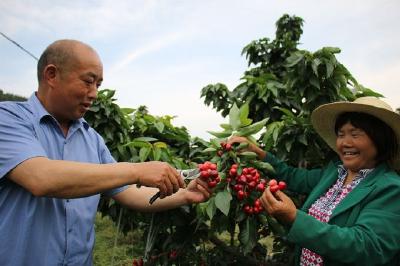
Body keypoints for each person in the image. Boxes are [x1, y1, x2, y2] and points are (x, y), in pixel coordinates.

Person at [0, 39, 212, 266]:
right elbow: (41, 178)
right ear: (51, 75)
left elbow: (129, 191)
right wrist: (136, 170)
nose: (93, 94)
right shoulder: (9, 119)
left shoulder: (92, 139)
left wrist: (185, 195)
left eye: (98, 85)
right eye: (88, 82)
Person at [229, 96, 400, 265]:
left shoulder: (390, 188)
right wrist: (258, 153)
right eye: (341, 135)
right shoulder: (335, 172)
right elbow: (292, 176)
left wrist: (295, 218)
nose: (345, 143)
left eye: (355, 134)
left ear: (379, 140)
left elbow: (367, 246)